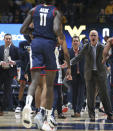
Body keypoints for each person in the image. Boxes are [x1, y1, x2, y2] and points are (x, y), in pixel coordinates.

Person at [20, 0, 71, 130]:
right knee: (48, 85)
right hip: (48, 46)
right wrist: (59, 35)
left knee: (35, 83)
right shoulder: (55, 12)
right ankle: (46, 115)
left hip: (36, 44)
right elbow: (55, 30)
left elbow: (22, 30)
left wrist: (34, 33)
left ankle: (28, 106)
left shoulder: (33, 10)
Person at [70, 30, 113, 121]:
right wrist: (69, 63)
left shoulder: (102, 46)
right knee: (90, 95)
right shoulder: (86, 47)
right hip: (89, 73)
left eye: (95, 35)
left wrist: (109, 66)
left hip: (100, 73)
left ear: (97, 37)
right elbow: (79, 57)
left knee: (104, 94)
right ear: (89, 37)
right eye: (91, 35)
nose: (93, 37)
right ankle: (92, 115)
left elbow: (108, 56)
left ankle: (109, 114)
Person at [0, 33, 20, 114]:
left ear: (11, 40)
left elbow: (20, 60)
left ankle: (7, 107)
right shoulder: (0, 48)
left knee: (7, 90)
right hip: (1, 71)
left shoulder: (15, 49)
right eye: (6, 38)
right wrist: (0, 62)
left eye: (9, 39)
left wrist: (14, 62)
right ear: (3, 39)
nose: (8, 40)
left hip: (9, 72)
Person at [15, 34, 32, 113]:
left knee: (32, 87)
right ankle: (19, 105)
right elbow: (20, 54)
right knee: (22, 85)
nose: (30, 35)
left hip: (33, 68)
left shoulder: (36, 43)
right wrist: (28, 52)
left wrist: (29, 52)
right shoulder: (22, 43)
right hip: (23, 67)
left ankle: (31, 105)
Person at [69, 35, 85, 118]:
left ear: (79, 42)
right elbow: (63, 62)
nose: (75, 42)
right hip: (73, 75)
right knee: (74, 94)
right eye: (74, 41)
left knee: (81, 94)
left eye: (77, 41)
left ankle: (78, 111)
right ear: (72, 43)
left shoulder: (83, 51)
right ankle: (75, 110)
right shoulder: (69, 52)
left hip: (82, 75)